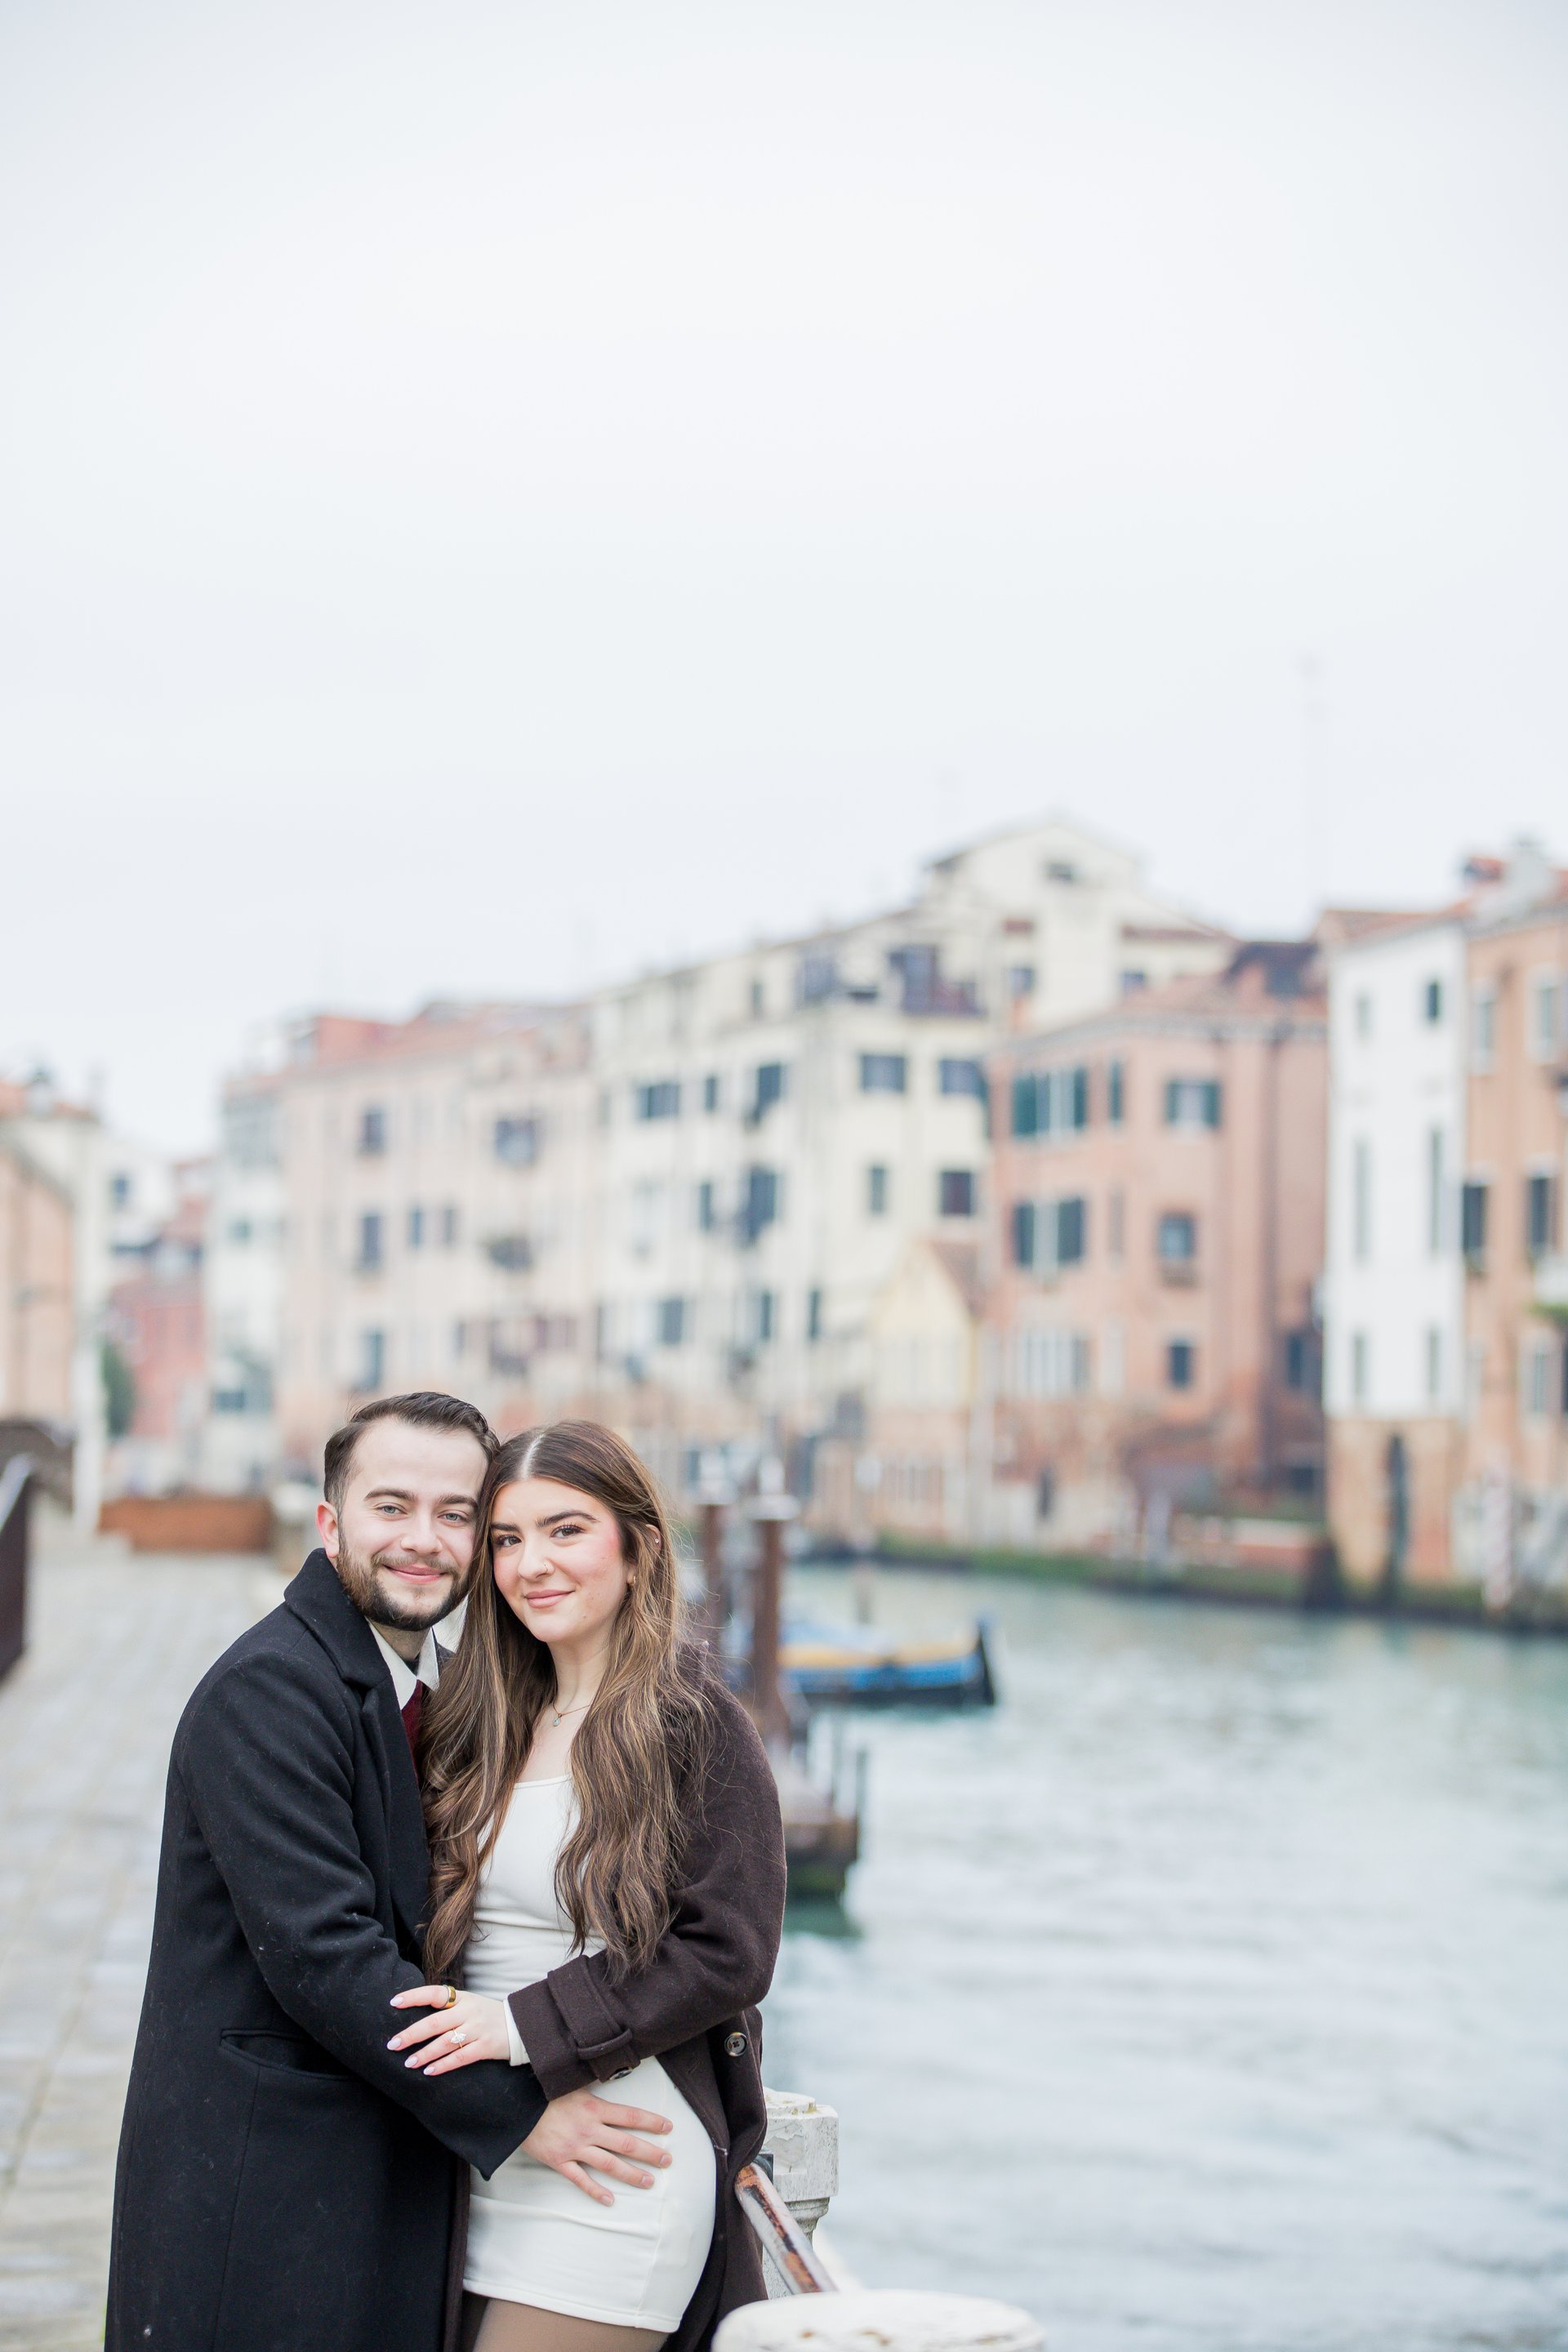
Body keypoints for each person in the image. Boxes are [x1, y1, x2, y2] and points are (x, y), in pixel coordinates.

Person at [106, 1392, 676, 2352]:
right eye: (391, 1507)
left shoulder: (429, 1686)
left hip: (363, 2178)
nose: (424, 1540)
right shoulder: (270, 1690)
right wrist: (517, 2110)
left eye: (456, 1515)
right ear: (330, 1523)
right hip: (262, 2192)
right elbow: (327, 1956)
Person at [385, 1419, 787, 2352]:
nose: (532, 1564)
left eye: (566, 1530)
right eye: (507, 1539)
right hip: (483, 2152)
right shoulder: (476, 1725)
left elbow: (728, 1951)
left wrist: (521, 2026)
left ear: (639, 1547)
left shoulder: (696, 1727)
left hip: (616, 2166)